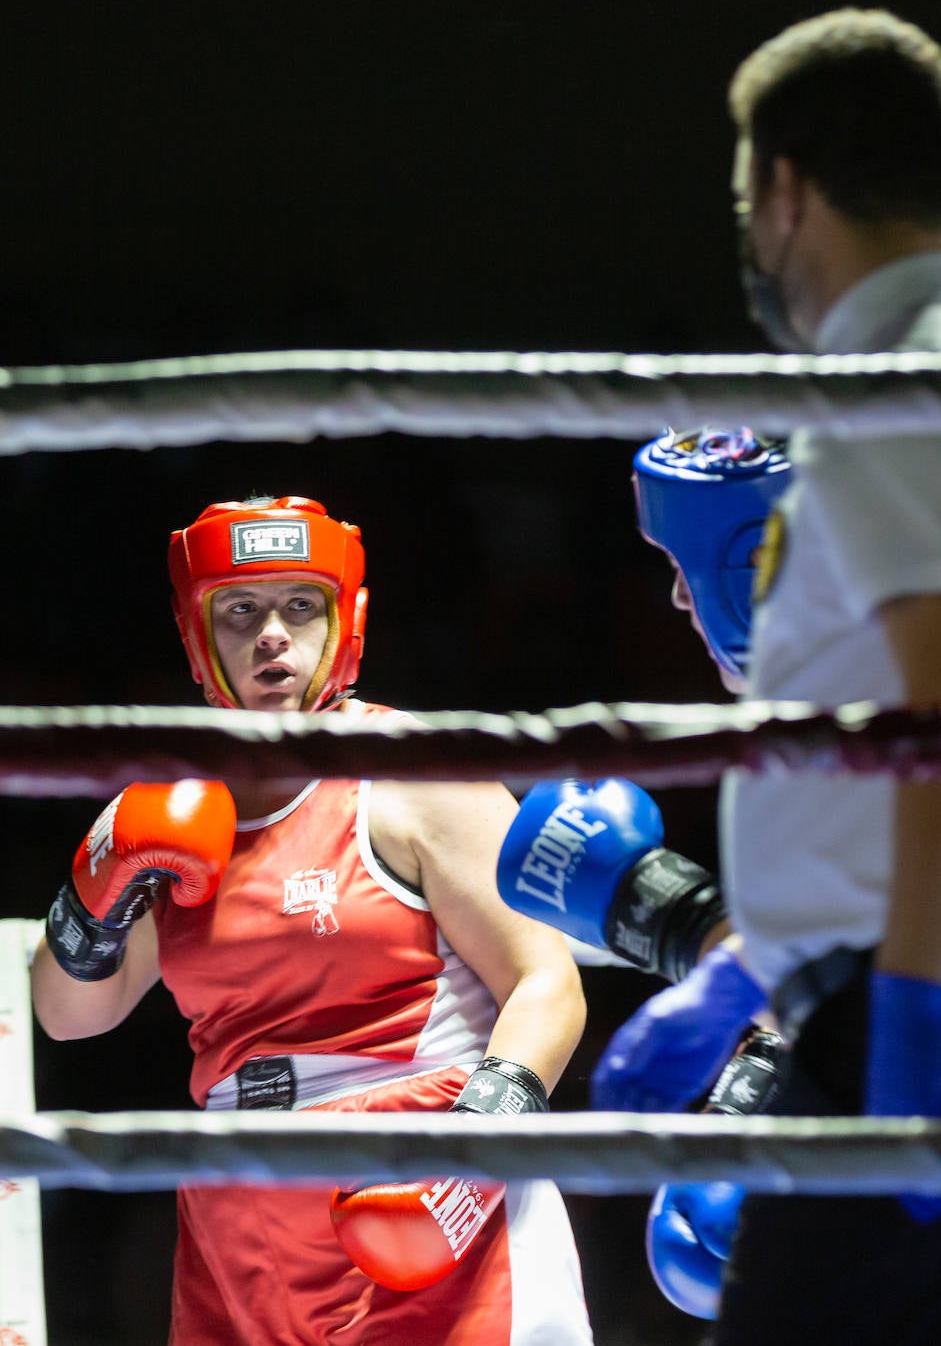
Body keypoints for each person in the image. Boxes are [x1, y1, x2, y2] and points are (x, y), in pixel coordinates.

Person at [592, 6, 941, 1343]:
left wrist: (904, 1009)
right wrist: (752, 971)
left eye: (749, 200)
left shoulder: (909, 387)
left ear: (786, 192)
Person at [503, 424, 941, 1330]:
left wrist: (677, 921)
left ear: (754, 555)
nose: (676, 597)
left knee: (719, 1247)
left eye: (681, 563)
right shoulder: (859, 671)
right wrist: (714, 955)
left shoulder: (900, 651)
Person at [30, 494, 593, 1346]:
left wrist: (471, 1156)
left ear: (344, 623)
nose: (271, 635)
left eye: (300, 605)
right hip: (238, 1199)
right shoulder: (171, 808)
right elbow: (70, 1014)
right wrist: (96, 885)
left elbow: (546, 983)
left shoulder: (412, 773)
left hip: (413, 1167)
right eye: (240, 610)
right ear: (195, 632)